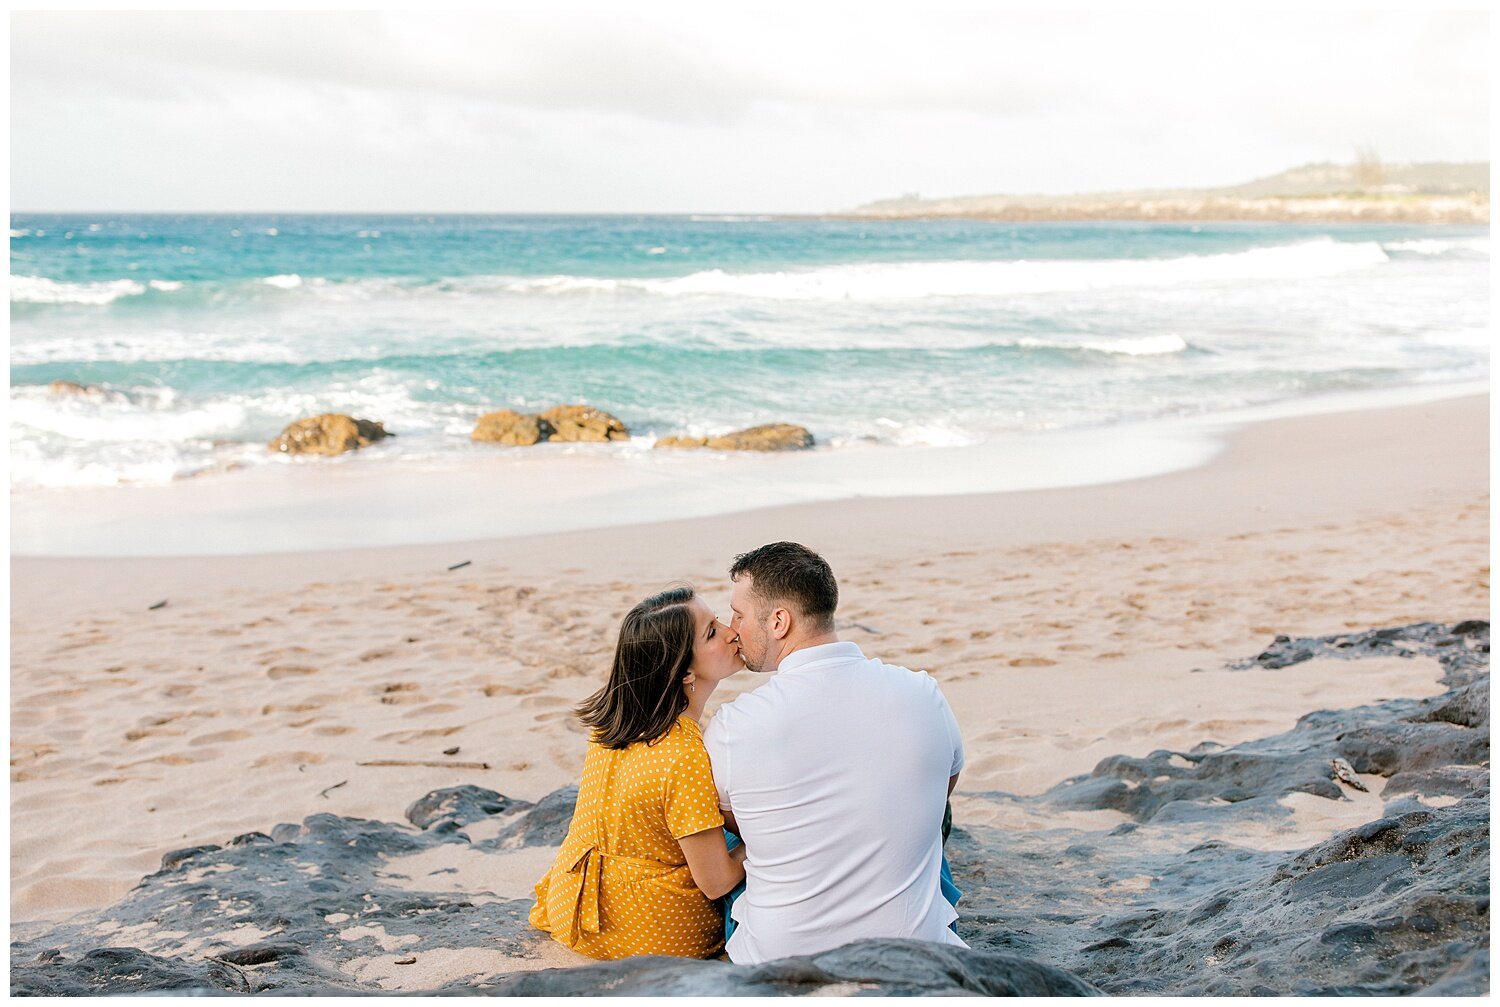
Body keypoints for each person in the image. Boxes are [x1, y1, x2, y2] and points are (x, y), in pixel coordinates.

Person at [703, 542, 966, 964]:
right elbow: (945, 785)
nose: (733, 628)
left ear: (778, 622)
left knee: (732, 830)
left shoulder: (736, 725)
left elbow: (736, 824)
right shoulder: (921, 691)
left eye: (738, 614)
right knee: (917, 820)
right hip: (919, 949)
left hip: (778, 960)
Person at [529, 586, 746, 959]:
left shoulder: (611, 726)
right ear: (682, 671)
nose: (731, 632)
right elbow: (716, 882)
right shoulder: (684, 754)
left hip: (573, 911)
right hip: (656, 932)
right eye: (712, 631)